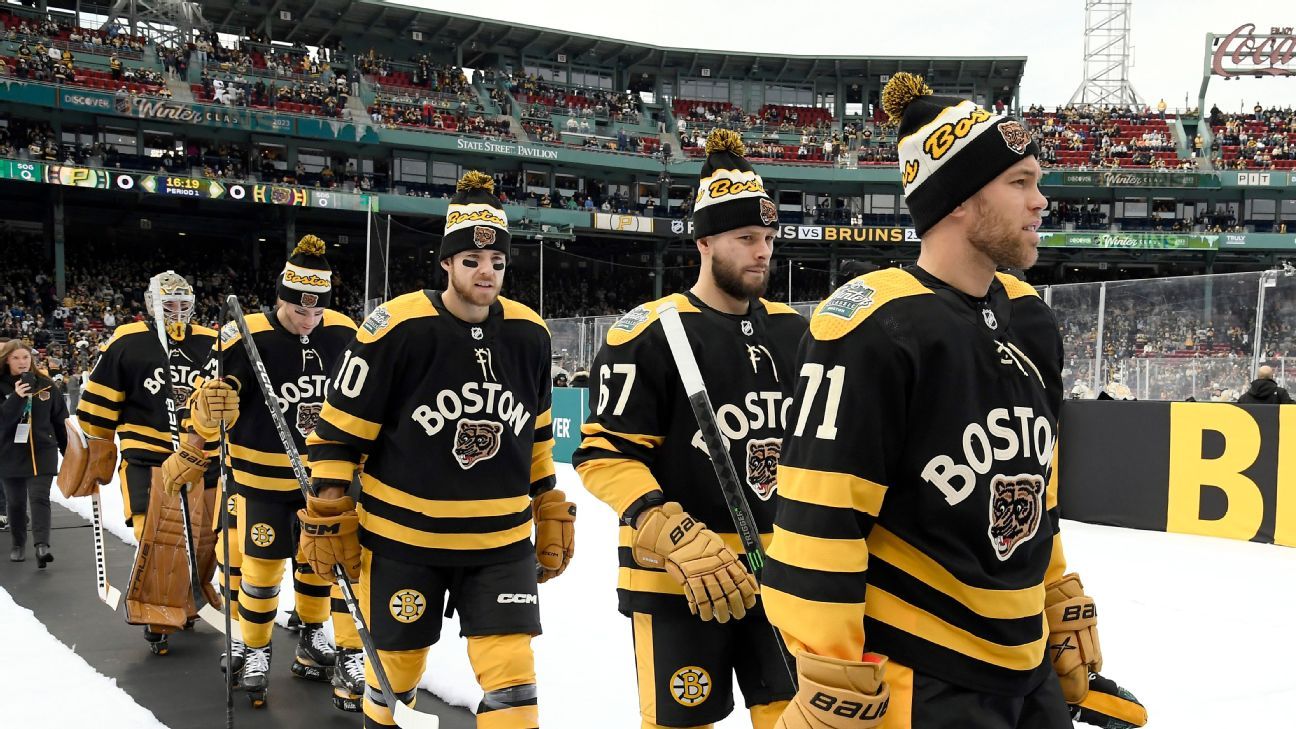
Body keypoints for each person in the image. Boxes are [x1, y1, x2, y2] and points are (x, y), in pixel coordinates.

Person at [762, 73, 1147, 729]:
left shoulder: (1032, 319)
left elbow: (1034, 487)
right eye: (1020, 183)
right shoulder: (871, 323)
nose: (1040, 201)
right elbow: (817, 520)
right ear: (959, 200)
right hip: (922, 676)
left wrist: (1054, 597)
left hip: (1028, 672)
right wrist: (829, 671)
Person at [301, 171, 575, 729]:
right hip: (405, 541)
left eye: (497, 263)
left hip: (500, 541)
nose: (486, 273)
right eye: (472, 261)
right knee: (395, 673)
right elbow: (339, 433)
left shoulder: (530, 334)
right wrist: (332, 507)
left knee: (514, 680)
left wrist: (547, 501)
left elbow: (537, 436)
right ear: (447, 263)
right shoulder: (396, 326)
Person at [572, 128, 807, 729]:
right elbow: (602, 455)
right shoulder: (648, 331)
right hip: (680, 581)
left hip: (781, 580)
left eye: (769, 237)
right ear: (704, 243)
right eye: (746, 238)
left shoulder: (795, 334)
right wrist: (667, 527)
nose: (763, 251)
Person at [188, 235, 362, 708]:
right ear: (281, 297)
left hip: (326, 479)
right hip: (261, 477)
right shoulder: (243, 335)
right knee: (262, 570)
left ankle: (318, 639)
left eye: (316, 311)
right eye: (298, 310)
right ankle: (255, 646)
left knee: (328, 564)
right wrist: (209, 410)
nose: (308, 320)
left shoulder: (344, 332)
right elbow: (202, 407)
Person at [62, 271, 221, 656]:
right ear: (152, 305)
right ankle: (157, 611)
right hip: (150, 456)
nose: (177, 312)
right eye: (169, 305)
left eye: (184, 305)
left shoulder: (213, 343)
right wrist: (93, 454)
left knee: (205, 537)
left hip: (203, 457)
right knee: (160, 537)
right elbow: (97, 407)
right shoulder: (128, 341)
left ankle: (192, 596)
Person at [0, 340, 68, 565]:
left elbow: (61, 421)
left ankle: (41, 545)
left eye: (26, 357)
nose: (22, 362)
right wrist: (17, 398)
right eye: (16, 358)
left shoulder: (46, 385)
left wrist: (68, 452)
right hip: (9, 453)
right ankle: (18, 543)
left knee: (39, 497)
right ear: (7, 360)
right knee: (16, 503)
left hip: (42, 451)